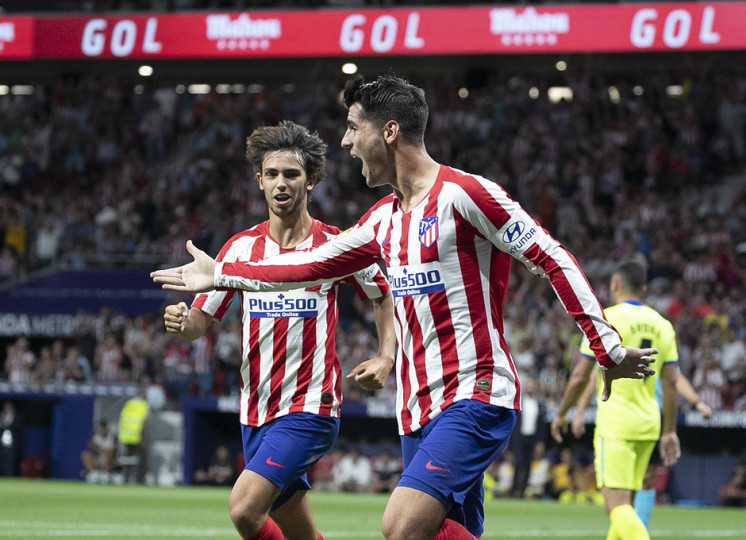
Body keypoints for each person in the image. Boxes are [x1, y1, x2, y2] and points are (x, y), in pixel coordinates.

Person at [151, 74, 656, 540]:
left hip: (475, 391)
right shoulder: (379, 222)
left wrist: (605, 345)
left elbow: (553, 257)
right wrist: (221, 274)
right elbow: (303, 267)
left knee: (399, 526)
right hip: (417, 409)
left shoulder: (466, 194)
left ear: (389, 132)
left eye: (353, 128)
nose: (345, 143)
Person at [159, 120, 395, 540]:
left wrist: (385, 354)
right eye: (272, 175)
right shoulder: (239, 249)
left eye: (292, 174)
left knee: (244, 511)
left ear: (311, 181)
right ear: (259, 182)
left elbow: (382, 293)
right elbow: (199, 324)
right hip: (256, 411)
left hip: (310, 408)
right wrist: (181, 321)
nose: (281, 184)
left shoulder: (334, 244)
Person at [551, 260, 681, 540]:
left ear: (615, 285)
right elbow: (671, 383)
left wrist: (562, 412)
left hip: (617, 424)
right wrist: (670, 431)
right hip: (649, 424)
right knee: (627, 506)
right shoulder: (663, 325)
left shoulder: (605, 318)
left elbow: (580, 376)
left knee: (615, 505)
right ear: (644, 289)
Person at [569, 350, 713, 528]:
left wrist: (697, 401)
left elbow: (675, 377)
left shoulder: (659, 335)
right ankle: (631, 531)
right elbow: (594, 373)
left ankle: (639, 528)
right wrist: (580, 410)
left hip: (649, 417)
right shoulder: (613, 335)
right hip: (617, 417)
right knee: (615, 488)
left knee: (646, 478)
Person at [117, 388, 150, 484]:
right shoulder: (143, 405)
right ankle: (140, 480)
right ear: (143, 395)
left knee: (128, 460)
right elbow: (142, 423)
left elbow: (123, 420)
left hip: (125, 437)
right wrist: (143, 438)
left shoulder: (129, 404)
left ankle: (126, 479)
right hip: (136, 437)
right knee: (142, 460)